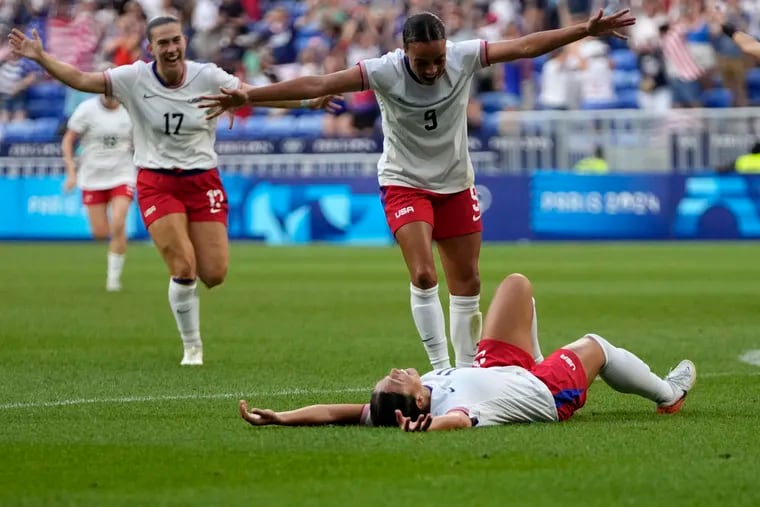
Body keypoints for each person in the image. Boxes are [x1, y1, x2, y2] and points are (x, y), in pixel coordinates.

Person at [201, 9, 637, 371]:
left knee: (467, 283)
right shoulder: (383, 72)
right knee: (425, 274)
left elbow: (523, 46)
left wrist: (583, 29)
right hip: (404, 183)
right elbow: (318, 84)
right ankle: (440, 369)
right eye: (422, 61)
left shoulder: (465, 58)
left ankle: (467, 371)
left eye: (438, 59)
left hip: (454, 184)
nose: (431, 69)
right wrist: (250, 95)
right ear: (404, 51)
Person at [8, 17, 338, 366]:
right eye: (162, 43)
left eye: (175, 41)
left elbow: (250, 96)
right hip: (157, 181)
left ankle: (184, 288)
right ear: (150, 48)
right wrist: (41, 58)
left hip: (203, 180)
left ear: (185, 41)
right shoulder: (132, 78)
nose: (171, 48)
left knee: (214, 274)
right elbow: (83, 79)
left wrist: (306, 104)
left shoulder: (207, 75)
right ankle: (192, 347)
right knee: (183, 264)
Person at [239, 273, 696, 431]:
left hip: (500, 365)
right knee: (596, 343)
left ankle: (536, 357)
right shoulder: (453, 407)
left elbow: (340, 413)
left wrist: (284, 416)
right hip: (539, 391)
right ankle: (667, 393)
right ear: (419, 403)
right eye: (397, 379)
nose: (397, 369)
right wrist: (432, 427)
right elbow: (458, 421)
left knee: (517, 286)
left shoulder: (397, 405)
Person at [62, 80, 135, 292]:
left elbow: (141, 140)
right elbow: (68, 140)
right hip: (93, 175)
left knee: (120, 221)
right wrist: (71, 172)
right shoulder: (86, 110)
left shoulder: (129, 109)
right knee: (101, 233)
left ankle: (113, 279)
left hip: (122, 173)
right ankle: (114, 246)